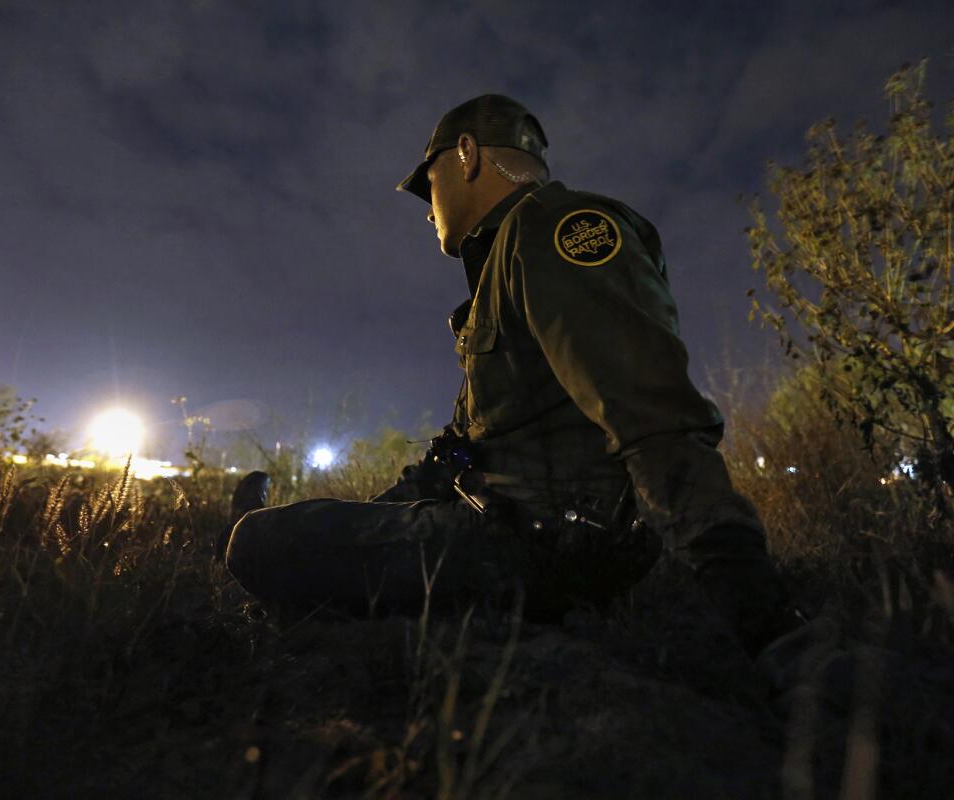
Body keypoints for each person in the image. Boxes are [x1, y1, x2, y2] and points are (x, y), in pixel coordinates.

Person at [225, 94, 796, 655]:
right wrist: (367, 518)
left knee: (257, 542)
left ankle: (282, 551)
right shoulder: (507, 259)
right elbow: (468, 452)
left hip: (541, 543)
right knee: (303, 533)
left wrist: (752, 603)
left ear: (467, 154)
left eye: (431, 183)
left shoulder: (558, 227)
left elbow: (652, 413)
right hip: (513, 526)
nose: (429, 209)